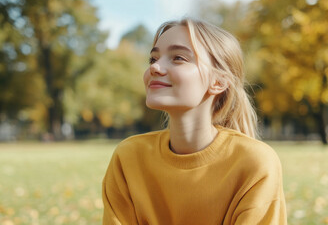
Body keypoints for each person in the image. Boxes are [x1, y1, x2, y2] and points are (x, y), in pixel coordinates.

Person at [102, 18, 287, 225]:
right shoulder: (128, 157)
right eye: (153, 59)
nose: (155, 68)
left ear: (218, 82)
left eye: (178, 58)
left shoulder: (256, 162)